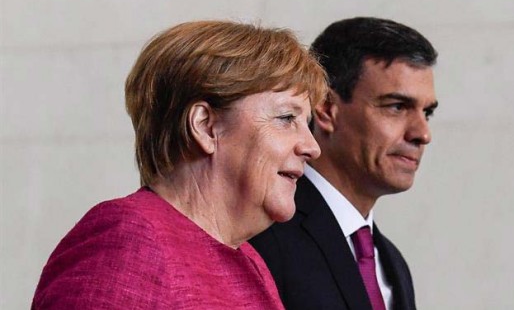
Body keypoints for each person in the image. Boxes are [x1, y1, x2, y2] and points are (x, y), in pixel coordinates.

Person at [32, 20, 327, 309]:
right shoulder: (130, 240)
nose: (311, 147)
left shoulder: (250, 262)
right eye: (287, 118)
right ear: (205, 126)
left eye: (306, 123)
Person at [250, 17, 438, 310]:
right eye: (397, 107)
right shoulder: (261, 235)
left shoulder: (392, 262)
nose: (422, 134)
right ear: (325, 109)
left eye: (427, 113)